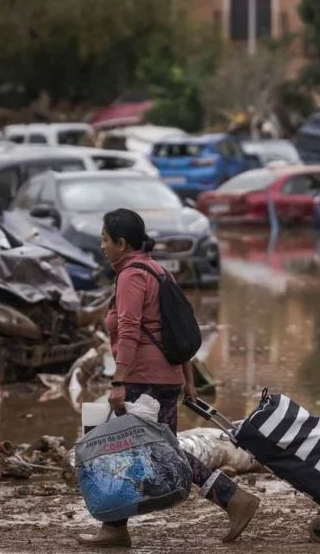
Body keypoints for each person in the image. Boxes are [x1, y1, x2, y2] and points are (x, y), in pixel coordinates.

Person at [77, 208, 260, 548]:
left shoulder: (131, 275)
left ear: (121, 242)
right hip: (166, 377)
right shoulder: (159, 271)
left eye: (105, 240)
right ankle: (116, 526)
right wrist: (187, 379)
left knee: (133, 449)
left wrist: (118, 381)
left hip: (143, 379)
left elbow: (130, 329)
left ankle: (233, 500)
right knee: (150, 449)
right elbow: (178, 332)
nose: (102, 246)